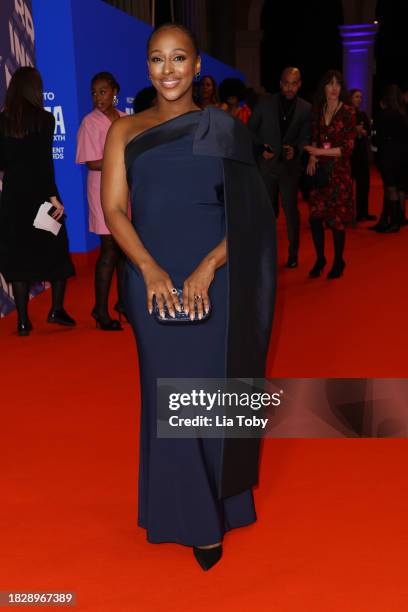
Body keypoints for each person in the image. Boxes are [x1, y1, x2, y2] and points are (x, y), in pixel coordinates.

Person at [101, 23, 276, 570]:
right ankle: (195, 518)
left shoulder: (222, 126)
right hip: (149, 278)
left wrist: (208, 266)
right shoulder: (124, 130)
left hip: (214, 276)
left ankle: (223, 501)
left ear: (198, 67)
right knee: (167, 395)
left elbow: (251, 216)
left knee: (210, 391)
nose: (169, 69)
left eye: (180, 58)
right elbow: (112, 210)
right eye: (158, 59)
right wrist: (150, 269)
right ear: (147, 66)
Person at [0, 67, 75, 336]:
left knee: (18, 255)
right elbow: (45, 163)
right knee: (56, 249)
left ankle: (22, 320)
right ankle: (56, 310)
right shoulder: (44, 120)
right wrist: (54, 198)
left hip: (12, 198)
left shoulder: (3, 120)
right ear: (35, 88)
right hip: (41, 196)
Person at [76, 72, 127, 330]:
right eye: (94, 92)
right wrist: (121, 160)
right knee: (109, 249)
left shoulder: (127, 119)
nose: (98, 97)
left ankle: (123, 303)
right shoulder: (89, 122)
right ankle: (100, 309)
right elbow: (91, 162)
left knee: (124, 249)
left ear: (114, 91)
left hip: (125, 191)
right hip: (101, 190)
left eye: (103, 91)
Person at [248, 67, 312, 268]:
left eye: (294, 83)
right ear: (280, 83)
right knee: (267, 212)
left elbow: (305, 137)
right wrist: (260, 148)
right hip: (266, 166)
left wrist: (296, 149)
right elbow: (250, 131)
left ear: (300, 84)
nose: (290, 87)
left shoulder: (305, 108)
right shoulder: (264, 104)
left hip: (289, 169)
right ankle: (265, 253)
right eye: (286, 83)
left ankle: (293, 254)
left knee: (291, 211)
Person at [305, 70, 356, 279]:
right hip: (320, 173)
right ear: (323, 88)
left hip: (339, 175)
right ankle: (320, 258)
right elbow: (315, 138)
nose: (334, 88)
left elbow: (347, 148)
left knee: (336, 221)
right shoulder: (318, 111)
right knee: (315, 218)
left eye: (337, 84)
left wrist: (319, 152)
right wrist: (312, 157)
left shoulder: (348, 113)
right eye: (330, 84)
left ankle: (338, 261)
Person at [369, 85, 408, 233]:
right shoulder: (403, 113)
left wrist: (374, 151)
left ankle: (394, 223)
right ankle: (390, 220)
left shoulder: (384, 114)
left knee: (390, 188)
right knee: (398, 188)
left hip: (388, 154)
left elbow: (377, 137)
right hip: (403, 156)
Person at [349, 88, 375, 221]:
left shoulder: (363, 114)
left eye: (360, 97)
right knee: (347, 185)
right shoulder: (345, 114)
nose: (359, 99)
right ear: (350, 98)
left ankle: (362, 213)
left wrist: (363, 132)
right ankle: (347, 213)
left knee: (364, 184)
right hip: (349, 153)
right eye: (356, 96)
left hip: (361, 152)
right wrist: (354, 130)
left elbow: (370, 132)